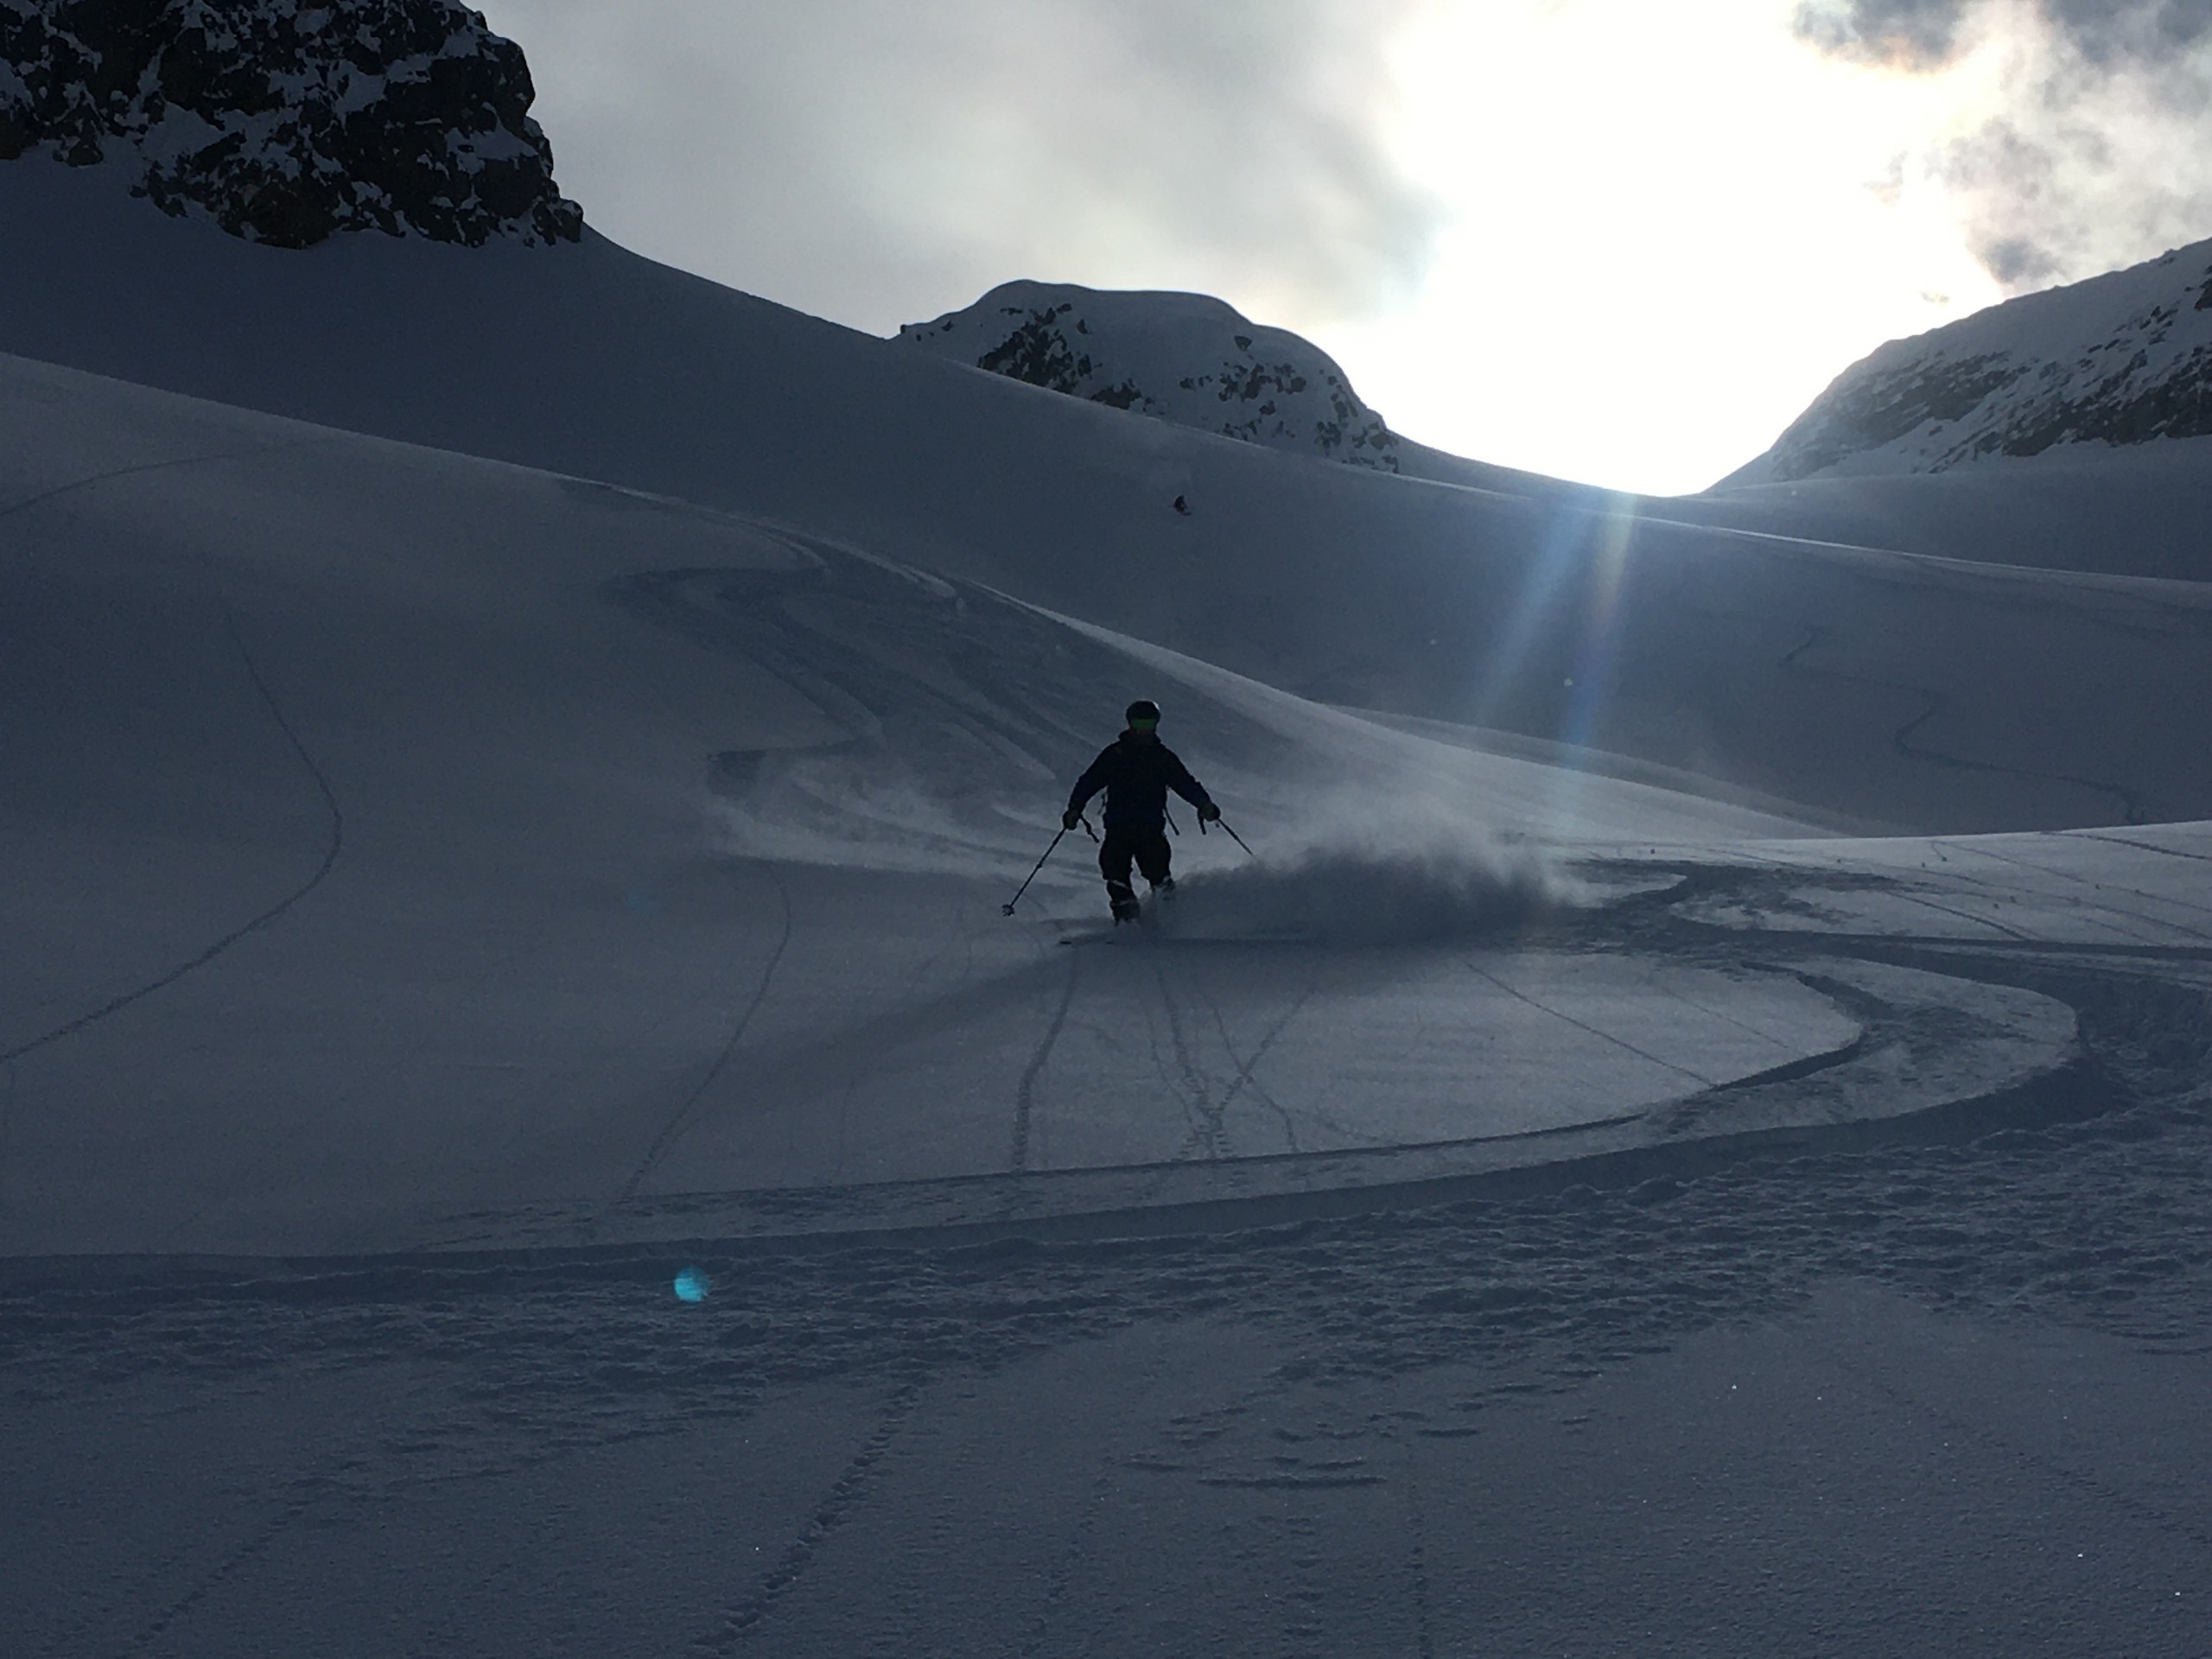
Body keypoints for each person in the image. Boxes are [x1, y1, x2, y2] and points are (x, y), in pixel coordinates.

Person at [1064, 699, 1220, 921]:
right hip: (1119, 824)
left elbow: (1184, 783)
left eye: (1148, 723)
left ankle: (1171, 919)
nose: (1144, 730)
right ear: (1130, 724)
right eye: (1140, 723)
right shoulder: (1115, 755)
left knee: (1157, 871)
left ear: (1156, 724)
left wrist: (1204, 804)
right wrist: (1074, 808)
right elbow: (1089, 781)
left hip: (1150, 825)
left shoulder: (1162, 757)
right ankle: (1127, 920)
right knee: (1115, 870)